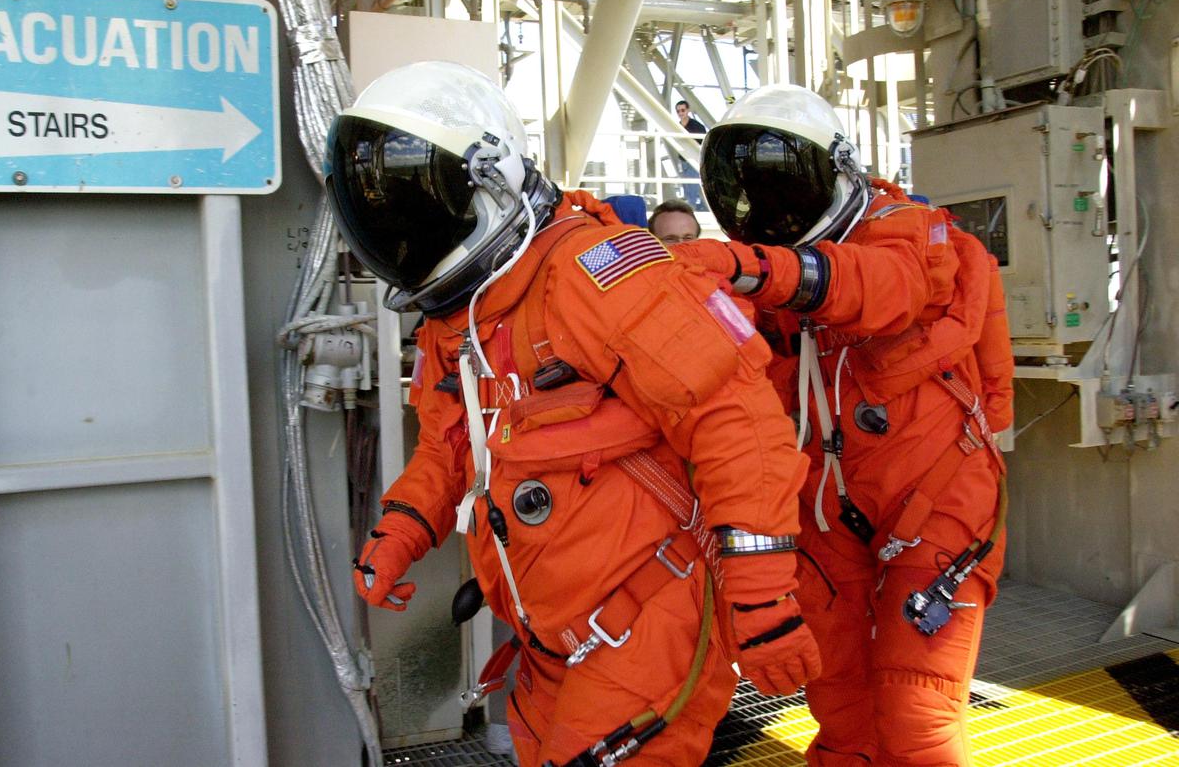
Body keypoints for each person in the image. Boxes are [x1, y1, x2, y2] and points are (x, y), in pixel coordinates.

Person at [330, 62, 819, 766]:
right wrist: (401, 527)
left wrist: (763, 594)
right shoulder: (461, 317)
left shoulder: (597, 271)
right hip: (549, 632)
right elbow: (451, 445)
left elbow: (733, 415)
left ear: (488, 181)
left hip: (646, 618)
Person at [676, 84, 1014, 766]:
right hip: (829, 509)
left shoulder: (910, 236)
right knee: (839, 703)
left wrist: (748, 268)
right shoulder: (772, 282)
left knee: (916, 713)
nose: (765, 211)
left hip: (938, 498)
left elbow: (871, 287)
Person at [675, 100, 707, 209]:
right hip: (682, 160)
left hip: (693, 159)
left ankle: (692, 208)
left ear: (687, 110)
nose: (680, 113)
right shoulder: (676, 126)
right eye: (678, 111)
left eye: (682, 110)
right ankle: (694, 207)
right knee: (686, 185)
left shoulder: (697, 126)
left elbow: (703, 143)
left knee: (692, 186)